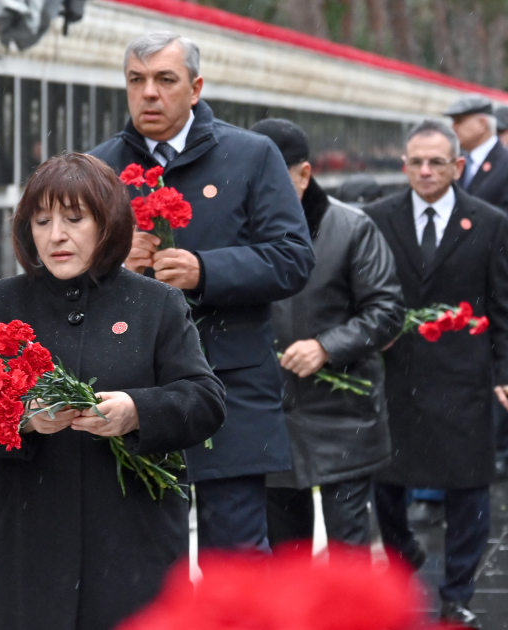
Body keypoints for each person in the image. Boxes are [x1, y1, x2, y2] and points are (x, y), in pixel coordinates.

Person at [0, 153, 226, 630]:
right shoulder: (0, 303)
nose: (56, 235)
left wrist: (136, 410)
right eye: (42, 221)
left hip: (134, 542)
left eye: (74, 219)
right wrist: (23, 415)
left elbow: (205, 399)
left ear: (108, 224)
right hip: (31, 543)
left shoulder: (156, 303)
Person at [90, 31, 314, 551]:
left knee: (235, 556)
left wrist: (205, 270)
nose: (149, 93)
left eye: (165, 79)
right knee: (137, 557)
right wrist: (111, 260)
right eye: (136, 80)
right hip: (134, 387)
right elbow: (61, 270)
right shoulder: (99, 169)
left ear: (195, 88)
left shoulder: (251, 156)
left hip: (232, 383)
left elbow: (293, 258)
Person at [364, 120, 508, 628]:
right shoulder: (378, 218)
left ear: (457, 166)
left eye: (436, 162)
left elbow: (504, 307)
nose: (426, 171)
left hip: (463, 376)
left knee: (468, 488)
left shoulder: (489, 221)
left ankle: (457, 593)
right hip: (396, 373)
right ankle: (403, 555)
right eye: (416, 162)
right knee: (387, 484)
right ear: (404, 166)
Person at [249, 119, 405, 554]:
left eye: (272, 177)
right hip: (268, 416)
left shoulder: (351, 228)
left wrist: (326, 347)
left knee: (347, 551)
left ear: (304, 174)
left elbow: (387, 311)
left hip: (342, 416)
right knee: (286, 556)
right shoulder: (237, 231)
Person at [446, 95, 508, 482]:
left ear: (482, 123)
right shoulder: (457, 165)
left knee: (506, 360)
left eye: (460, 121)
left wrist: (465, 223)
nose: (454, 129)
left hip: (505, 276)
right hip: (465, 279)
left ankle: (505, 448)